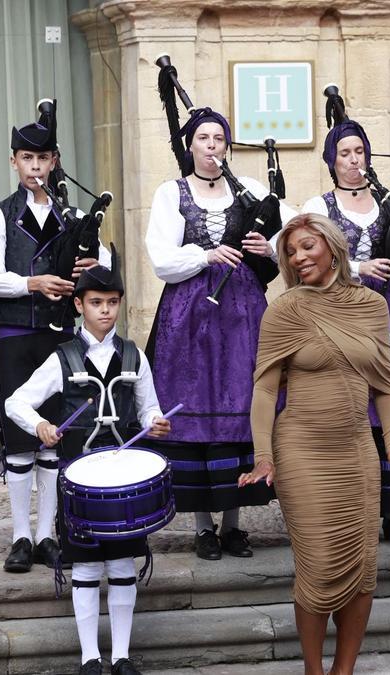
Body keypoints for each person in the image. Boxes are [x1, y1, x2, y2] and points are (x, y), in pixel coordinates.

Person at [241, 213, 390, 675]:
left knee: (362, 569)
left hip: (356, 453)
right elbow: (265, 390)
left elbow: (386, 384)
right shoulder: (284, 309)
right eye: (290, 251)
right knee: (319, 566)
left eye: (307, 246)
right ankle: (314, 670)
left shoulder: (371, 305)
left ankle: (343, 671)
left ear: (332, 248)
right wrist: (263, 455)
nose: (297, 257)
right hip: (302, 451)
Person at [5, 262, 169, 675]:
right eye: (96, 303)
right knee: (85, 565)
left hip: (122, 480)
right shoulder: (61, 358)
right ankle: (89, 658)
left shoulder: (133, 355)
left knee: (121, 564)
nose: (105, 311)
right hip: (77, 481)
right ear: (78, 305)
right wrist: (40, 425)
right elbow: (15, 403)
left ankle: (122, 657)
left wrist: (156, 422)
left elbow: (150, 408)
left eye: (112, 303)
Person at [299, 92, 390, 540]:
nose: (353, 160)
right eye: (344, 153)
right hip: (340, 313)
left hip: (389, 316)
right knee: (349, 404)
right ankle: (347, 504)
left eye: (359, 152)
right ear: (331, 160)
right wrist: (356, 268)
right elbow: (300, 254)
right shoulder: (318, 206)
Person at [145, 105, 292, 560]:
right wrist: (206, 257)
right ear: (190, 146)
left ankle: (233, 523)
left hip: (242, 312)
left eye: (219, 139)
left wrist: (266, 245)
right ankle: (202, 526)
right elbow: (161, 259)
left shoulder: (247, 189)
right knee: (196, 405)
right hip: (189, 315)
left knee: (242, 402)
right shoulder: (172, 193)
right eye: (204, 139)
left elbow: (295, 228)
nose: (212, 147)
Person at [0, 114, 106, 574]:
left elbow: (103, 270)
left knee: (53, 435)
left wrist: (92, 263)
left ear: (54, 162)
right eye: (26, 158)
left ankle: (48, 534)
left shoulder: (72, 215)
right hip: (15, 334)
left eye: (43, 158)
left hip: (61, 336)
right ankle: (20, 536)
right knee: (19, 436)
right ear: (14, 162)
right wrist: (34, 282)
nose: (35, 166)